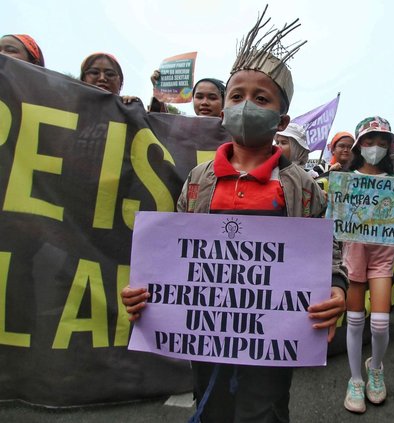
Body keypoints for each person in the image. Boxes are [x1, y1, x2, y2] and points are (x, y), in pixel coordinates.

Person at [122, 7, 348, 422]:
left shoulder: (301, 185)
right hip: (204, 331)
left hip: (274, 339)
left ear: (281, 119)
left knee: (265, 411)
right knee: (211, 408)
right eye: (237, 96)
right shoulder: (197, 180)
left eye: (261, 99)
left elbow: (327, 251)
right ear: (223, 109)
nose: (246, 106)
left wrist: (336, 289)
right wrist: (146, 294)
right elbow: (175, 259)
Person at [342, 116, 394, 414]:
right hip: (354, 252)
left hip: (382, 254)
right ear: (358, 145)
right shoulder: (344, 180)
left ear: (389, 147)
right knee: (354, 320)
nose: (375, 147)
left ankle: (375, 367)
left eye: (381, 141)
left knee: (379, 323)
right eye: (369, 140)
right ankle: (355, 379)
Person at [150, 72, 225, 117]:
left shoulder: (232, 133)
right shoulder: (183, 129)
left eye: (212, 98)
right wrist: (157, 88)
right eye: (199, 97)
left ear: (224, 102)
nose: (204, 102)